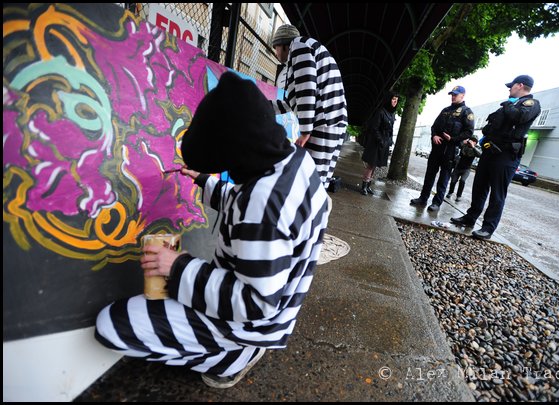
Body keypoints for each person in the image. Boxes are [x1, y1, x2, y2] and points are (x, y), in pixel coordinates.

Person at [94, 72, 330, 389]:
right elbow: (250, 206)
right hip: (276, 310)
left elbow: (255, 302)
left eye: (221, 163)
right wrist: (204, 181)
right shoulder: (297, 162)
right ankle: (238, 345)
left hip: (249, 324)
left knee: (111, 325)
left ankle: (232, 357)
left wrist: (177, 267)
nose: (221, 169)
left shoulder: (261, 203)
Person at [451, 75, 541, 240]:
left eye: (511, 86)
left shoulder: (531, 104)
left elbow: (518, 117)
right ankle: (470, 218)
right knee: (479, 187)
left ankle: (488, 228)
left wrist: (508, 104)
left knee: (497, 193)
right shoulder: (510, 104)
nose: (509, 89)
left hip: (506, 155)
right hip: (489, 151)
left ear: (520, 85)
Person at [269, 24, 348, 189]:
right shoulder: (305, 48)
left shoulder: (299, 46)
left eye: (275, 47)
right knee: (318, 181)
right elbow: (292, 101)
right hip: (330, 120)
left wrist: (305, 131)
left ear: (283, 43)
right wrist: (261, 107)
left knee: (309, 182)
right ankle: (314, 213)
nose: (275, 53)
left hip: (324, 121)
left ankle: (308, 213)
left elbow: (306, 89)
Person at [410, 85, 475, 211]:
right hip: (437, 149)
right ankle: (423, 198)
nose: (453, 96)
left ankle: (436, 203)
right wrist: (434, 135)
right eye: (452, 94)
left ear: (463, 95)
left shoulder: (467, 112)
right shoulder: (445, 110)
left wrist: (453, 139)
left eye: (455, 94)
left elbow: (468, 132)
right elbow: (434, 126)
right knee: (429, 176)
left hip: (451, 151)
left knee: (443, 179)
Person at [360, 91, 400, 195]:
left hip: (384, 143)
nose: (395, 102)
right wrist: (380, 140)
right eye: (393, 99)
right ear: (388, 100)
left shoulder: (391, 114)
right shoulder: (381, 112)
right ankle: (364, 185)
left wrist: (390, 141)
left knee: (375, 165)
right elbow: (374, 128)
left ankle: (368, 185)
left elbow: (390, 129)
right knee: (370, 165)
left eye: (396, 100)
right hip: (376, 142)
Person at [446, 135, 482, 202]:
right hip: (458, 167)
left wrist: (473, 147)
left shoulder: (477, 148)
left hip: (466, 169)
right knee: (453, 181)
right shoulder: (464, 145)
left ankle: (459, 196)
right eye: (471, 140)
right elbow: (457, 144)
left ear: (476, 142)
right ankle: (450, 192)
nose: (472, 142)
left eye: (474, 141)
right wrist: (463, 141)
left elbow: (480, 155)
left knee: (462, 181)